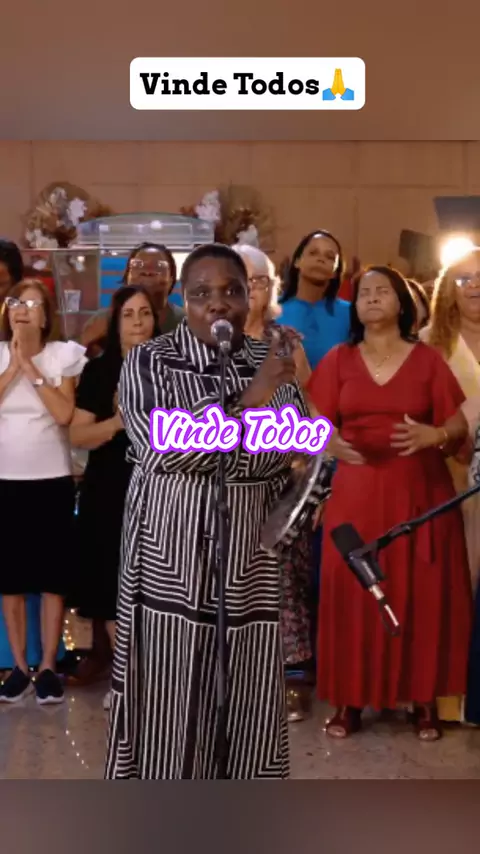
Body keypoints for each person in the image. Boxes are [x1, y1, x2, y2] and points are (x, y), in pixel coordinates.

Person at [105, 243, 311, 779]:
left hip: (249, 569)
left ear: (249, 299)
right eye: (201, 293)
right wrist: (248, 402)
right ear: (183, 299)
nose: (218, 304)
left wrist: (298, 495)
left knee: (246, 702)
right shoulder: (149, 361)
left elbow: (294, 455)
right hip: (169, 569)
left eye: (232, 291)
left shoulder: (272, 361)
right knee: (168, 704)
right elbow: (161, 446)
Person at [308, 265, 472, 740]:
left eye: (383, 291)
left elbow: (458, 424)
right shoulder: (338, 359)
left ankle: (423, 700)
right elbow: (313, 417)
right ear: (355, 306)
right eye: (364, 293)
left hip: (419, 492)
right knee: (352, 593)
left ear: (402, 304)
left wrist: (435, 435)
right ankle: (349, 701)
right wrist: (325, 440)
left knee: (420, 591)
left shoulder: (427, 360)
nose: (373, 298)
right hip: (356, 493)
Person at [232, 242, 315, 721]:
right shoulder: (209, 341)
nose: (250, 290)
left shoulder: (287, 341)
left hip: (281, 480)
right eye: (241, 280)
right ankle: (238, 678)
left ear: (271, 288)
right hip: (226, 482)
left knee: (284, 583)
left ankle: (290, 676)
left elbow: (308, 405)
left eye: (259, 280)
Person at [69, 286, 159, 710]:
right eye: (129, 314)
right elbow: (78, 434)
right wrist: (119, 421)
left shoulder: (173, 369)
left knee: (156, 586)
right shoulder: (100, 371)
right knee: (111, 584)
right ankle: (124, 679)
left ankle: (156, 679)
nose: (138, 322)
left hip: (160, 490)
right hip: (108, 490)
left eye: (145, 313)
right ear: (116, 321)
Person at [0, 279, 86, 704]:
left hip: (52, 479)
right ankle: (19, 666)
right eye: (16, 301)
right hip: (5, 479)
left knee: (53, 578)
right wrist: (14, 364)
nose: (22, 309)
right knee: (11, 578)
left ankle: (49, 665)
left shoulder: (62, 355)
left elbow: (64, 413)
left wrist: (31, 367)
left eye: (33, 304)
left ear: (46, 316)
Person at [420, 248, 480, 723]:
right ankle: (447, 696)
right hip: (449, 478)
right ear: (447, 291)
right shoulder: (427, 344)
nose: (474, 285)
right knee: (454, 586)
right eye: (463, 278)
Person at [80, 242, 183, 355]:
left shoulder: (187, 324)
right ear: (127, 277)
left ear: (171, 279)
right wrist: (86, 347)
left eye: (159, 266)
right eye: (137, 265)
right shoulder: (100, 321)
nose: (147, 272)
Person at [278, 230, 351, 370]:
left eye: (330, 257)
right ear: (297, 261)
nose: (321, 259)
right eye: (313, 253)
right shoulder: (272, 309)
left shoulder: (350, 313)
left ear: (336, 272)